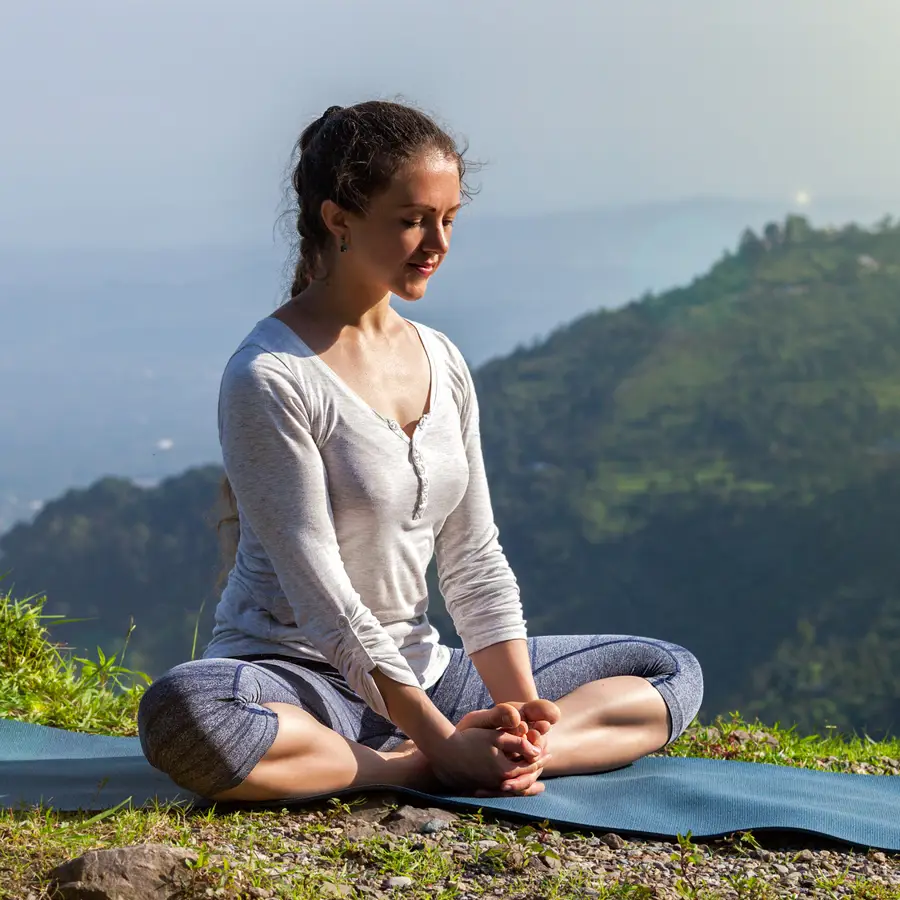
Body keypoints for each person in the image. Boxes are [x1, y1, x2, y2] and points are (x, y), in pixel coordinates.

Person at [137, 100, 704, 803]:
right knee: (187, 714)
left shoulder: (442, 358)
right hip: (301, 680)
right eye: (411, 220)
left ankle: (519, 757)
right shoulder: (270, 376)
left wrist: (521, 716)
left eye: (448, 219)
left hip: (429, 672)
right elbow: (326, 604)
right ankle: (407, 768)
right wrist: (437, 745)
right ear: (338, 219)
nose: (436, 241)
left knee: (668, 670)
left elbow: (473, 558)